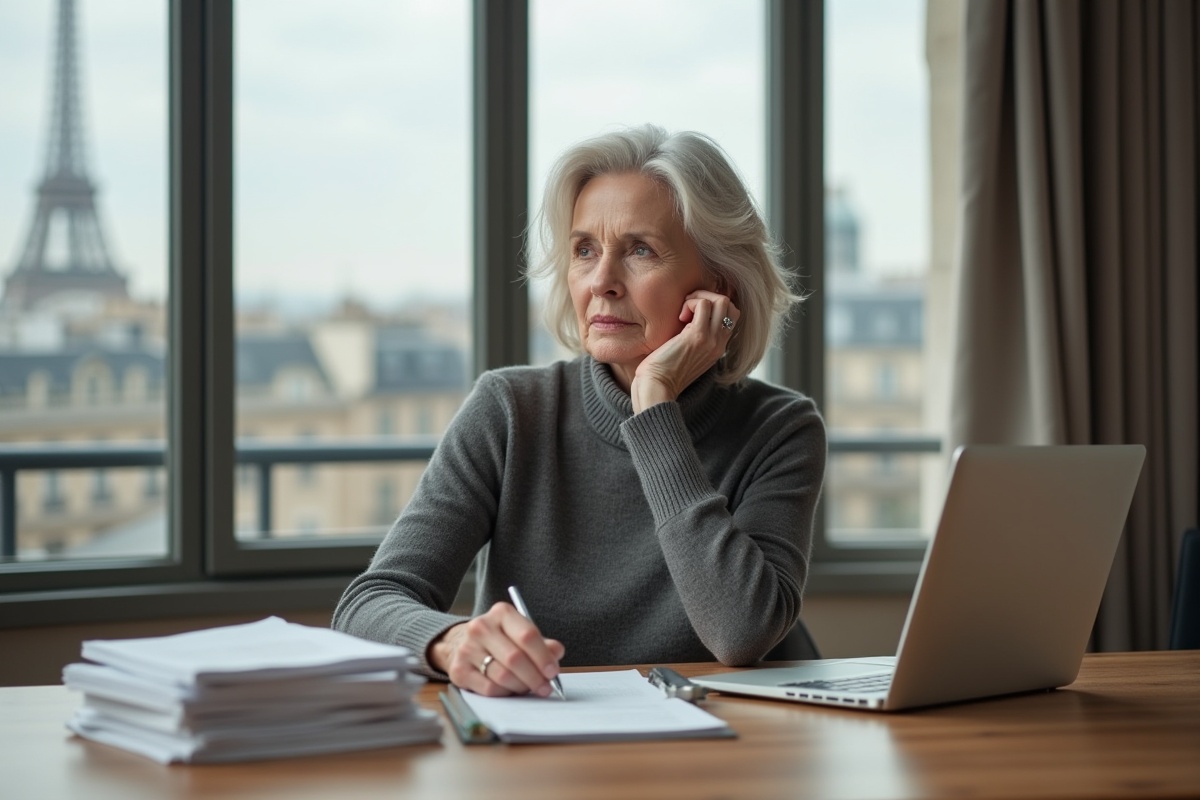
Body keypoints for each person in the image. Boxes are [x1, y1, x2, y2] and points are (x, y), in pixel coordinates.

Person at [333, 124, 826, 699]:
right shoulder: (510, 411)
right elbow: (366, 606)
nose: (601, 282)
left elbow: (741, 633)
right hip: (541, 755)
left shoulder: (781, 430)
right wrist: (451, 641)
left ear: (718, 285)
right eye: (585, 250)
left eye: (640, 250)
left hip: (719, 753)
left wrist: (655, 407)